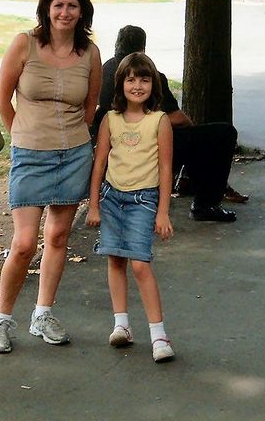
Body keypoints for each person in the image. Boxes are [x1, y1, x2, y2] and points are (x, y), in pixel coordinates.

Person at [0, 0, 102, 353]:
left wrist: (75, 140)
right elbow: (2, 99)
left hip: (74, 155)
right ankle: (1, 320)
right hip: (30, 155)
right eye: (58, 5)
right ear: (47, 9)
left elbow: (90, 107)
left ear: (82, 11)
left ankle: (43, 314)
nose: (65, 12)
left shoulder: (90, 53)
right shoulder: (25, 43)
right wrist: (22, 135)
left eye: (72, 5)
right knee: (23, 244)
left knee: (57, 237)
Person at [92, 25, 248, 222]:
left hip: (114, 143)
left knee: (194, 141)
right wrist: (189, 126)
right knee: (221, 135)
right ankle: (205, 203)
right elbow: (177, 118)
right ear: (142, 49)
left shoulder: (106, 69)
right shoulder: (150, 77)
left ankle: (189, 180)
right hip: (149, 143)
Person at [86, 52, 175, 362]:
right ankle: (121, 324)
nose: (137, 86)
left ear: (154, 85)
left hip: (144, 200)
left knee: (139, 264)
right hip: (112, 198)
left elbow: (166, 168)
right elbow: (99, 163)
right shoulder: (110, 119)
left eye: (144, 80)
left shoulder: (159, 121)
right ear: (120, 84)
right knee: (115, 260)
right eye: (131, 79)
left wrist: (163, 211)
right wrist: (93, 204)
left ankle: (159, 334)